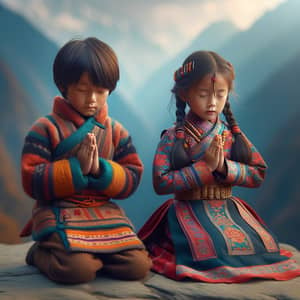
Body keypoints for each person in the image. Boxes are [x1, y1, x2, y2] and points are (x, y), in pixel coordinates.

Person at [138, 50, 300, 283]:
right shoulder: (174, 137)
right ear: (185, 94)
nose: (213, 103)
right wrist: (204, 168)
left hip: (228, 208)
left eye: (220, 94)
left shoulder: (232, 134)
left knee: (258, 244)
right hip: (187, 210)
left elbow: (258, 173)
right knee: (205, 247)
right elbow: (161, 182)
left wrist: (224, 167)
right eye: (204, 94)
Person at [20, 37, 152, 284]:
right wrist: (75, 169)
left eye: (100, 91)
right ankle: (39, 253)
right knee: (78, 271)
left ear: (110, 89)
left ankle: (94, 255)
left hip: (103, 212)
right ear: (63, 86)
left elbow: (133, 176)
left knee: (137, 266)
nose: (92, 98)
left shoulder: (116, 131)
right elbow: (31, 179)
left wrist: (102, 169)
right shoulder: (45, 128)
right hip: (59, 210)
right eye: (82, 89)